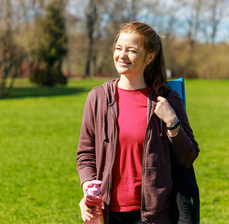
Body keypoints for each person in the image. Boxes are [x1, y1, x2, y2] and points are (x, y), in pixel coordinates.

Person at [77, 21, 200, 224]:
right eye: (118, 48)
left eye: (132, 50)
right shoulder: (97, 98)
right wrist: (89, 190)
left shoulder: (167, 100)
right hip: (107, 213)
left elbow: (188, 157)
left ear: (149, 57)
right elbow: (85, 153)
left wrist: (172, 122)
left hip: (153, 215)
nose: (122, 55)